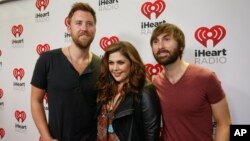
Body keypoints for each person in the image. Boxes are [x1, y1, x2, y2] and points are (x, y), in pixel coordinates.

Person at [30, 2, 101, 141]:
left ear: (95, 28)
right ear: (69, 27)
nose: (84, 28)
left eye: (89, 24)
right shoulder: (47, 60)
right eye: (78, 23)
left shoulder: (102, 66)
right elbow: (35, 101)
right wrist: (46, 136)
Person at [150, 23, 231, 141]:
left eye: (167, 39)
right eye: (155, 41)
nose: (160, 46)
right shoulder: (155, 82)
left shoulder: (206, 77)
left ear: (181, 46)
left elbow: (224, 123)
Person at [96, 41, 161, 141]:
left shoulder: (145, 90)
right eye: (111, 63)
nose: (115, 68)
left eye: (120, 62)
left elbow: (151, 134)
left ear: (132, 63)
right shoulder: (106, 87)